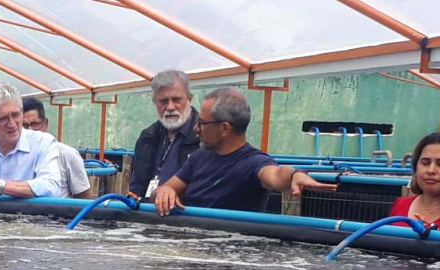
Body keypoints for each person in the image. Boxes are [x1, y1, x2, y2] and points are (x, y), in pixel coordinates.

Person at [153, 88, 337, 216]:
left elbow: (276, 176)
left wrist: (294, 175)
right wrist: (165, 191)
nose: (195, 128)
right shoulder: (199, 157)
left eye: (201, 123)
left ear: (224, 128)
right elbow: (164, 189)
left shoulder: (254, 163)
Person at [128, 69, 201, 201]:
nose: (170, 107)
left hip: (186, 215)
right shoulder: (147, 137)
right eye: (163, 101)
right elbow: (137, 187)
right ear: (154, 101)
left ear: (189, 99)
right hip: (146, 216)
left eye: (177, 100)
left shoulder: (203, 138)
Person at [21, 97, 94, 199]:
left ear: (45, 123)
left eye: (35, 124)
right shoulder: (14, 155)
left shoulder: (66, 154)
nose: (30, 130)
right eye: (24, 126)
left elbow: (84, 197)